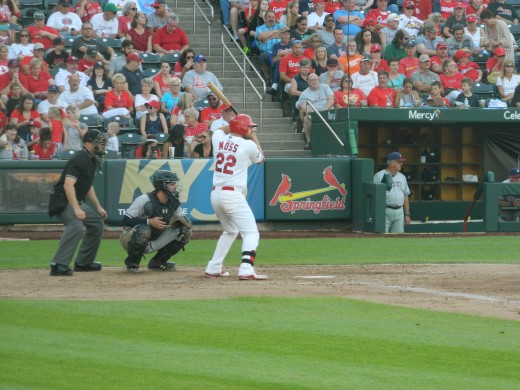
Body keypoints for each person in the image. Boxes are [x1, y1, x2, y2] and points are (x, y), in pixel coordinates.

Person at [204, 114, 267, 280]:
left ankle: (213, 267)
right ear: (243, 128)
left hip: (216, 194)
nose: (251, 129)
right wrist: (253, 136)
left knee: (230, 230)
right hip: (232, 194)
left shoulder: (218, 138)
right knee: (251, 233)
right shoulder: (248, 145)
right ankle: (246, 268)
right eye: (249, 126)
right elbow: (261, 160)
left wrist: (236, 125)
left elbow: (218, 129)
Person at [49, 129, 108, 276]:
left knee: (96, 223)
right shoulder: (80, 158)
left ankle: (83, 262)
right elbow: (68, 185)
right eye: (99, 143)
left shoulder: (92, 159)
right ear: (88, 143)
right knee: (76, 225)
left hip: (75, 200)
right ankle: (58, 264)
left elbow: (88, 187)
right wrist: (76, 209)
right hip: (62, 200)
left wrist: (98, 206)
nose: (102, 146)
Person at [121, 170, 190, 272]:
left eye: (175, 184)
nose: (175, 187)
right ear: (162, 185)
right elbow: (125, 221)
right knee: (144, 230)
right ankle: (132, 263)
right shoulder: (144, 199)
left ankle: (158, 262)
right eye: (172, 184)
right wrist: (149, 221)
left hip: (156, 235)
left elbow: (182, 220)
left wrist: (180, 222)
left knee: (185, 231)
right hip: (130, 237)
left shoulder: (174, 201)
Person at [373, 151, 411, 233]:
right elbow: (374, 196)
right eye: (399, 162)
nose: (401, 164)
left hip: (399, 211)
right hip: (385, 210)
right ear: (393, 163)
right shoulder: (379, 176)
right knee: (381, 236)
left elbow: (405, 196)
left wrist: (407, 214)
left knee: (399, 239)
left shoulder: (402, 177)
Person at [295, 73, 334, 150]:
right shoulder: (304, 93)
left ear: (318, 80)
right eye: (312, 80)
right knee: (306, 118)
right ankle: (309, 141)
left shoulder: (325, 87)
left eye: (316, 80)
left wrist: (324, 110)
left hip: (328, 110)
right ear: (308, 82)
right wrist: (313, 113)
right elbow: (302, 106)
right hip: (313, 113)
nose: (314, 82)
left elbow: (331, 100)